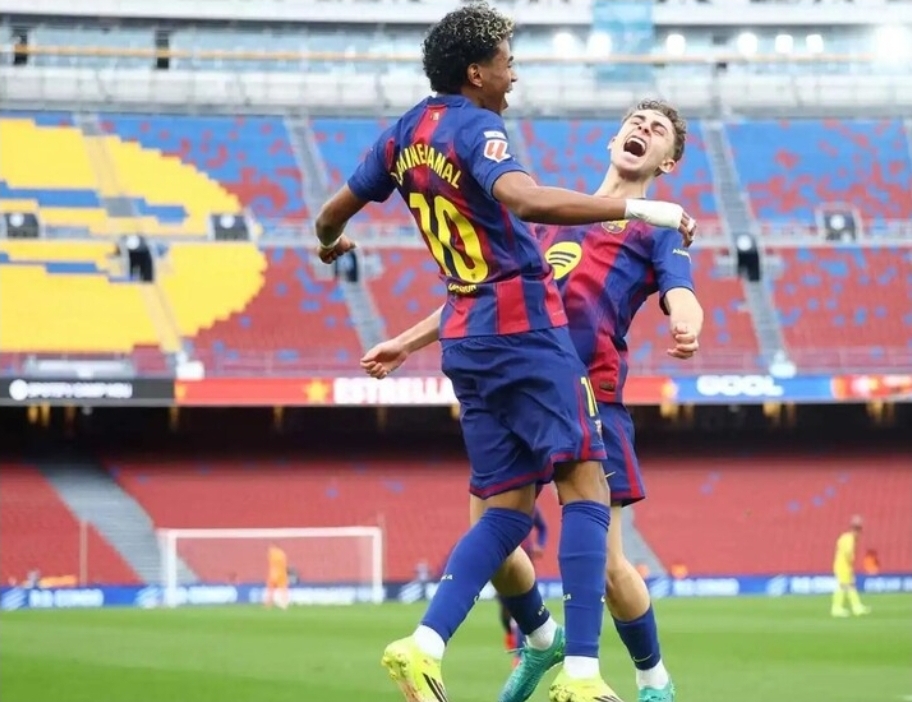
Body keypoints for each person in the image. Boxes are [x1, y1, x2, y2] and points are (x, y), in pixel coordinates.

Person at [314, 3, 695, 700]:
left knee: (590, 554)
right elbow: (520, 226)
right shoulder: (540, 194)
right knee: (532, 513)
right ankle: (564, 660)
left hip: (536, 365)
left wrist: (686, 322)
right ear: (476, 71)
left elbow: (681, 291)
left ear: (668, 161)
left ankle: (642, 678)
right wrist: (408, 338)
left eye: (657, 128)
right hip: (530, 352)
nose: (513, 75)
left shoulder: (404, 134)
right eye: (507, 62)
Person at [499, 507, 548, 663]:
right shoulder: (502, 504)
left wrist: (540, 544)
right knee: (505, 612)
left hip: (526, 567)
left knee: (521, 611)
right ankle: (510, 633)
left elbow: (543, 528)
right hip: (504, 563)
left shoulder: (532, 508)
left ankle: (520, 655)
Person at [831, 515, 871, 617]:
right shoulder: (850, 539)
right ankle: (837, 608)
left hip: (841, 565)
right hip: (843, 566)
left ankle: (856, 607)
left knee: (850, 586)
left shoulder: (844, 537)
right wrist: (851, 560)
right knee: (844, 586)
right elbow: (848, 552)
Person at [264, 543, 289, 610]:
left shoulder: (272, 553)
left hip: (273, 574)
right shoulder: (282, 554)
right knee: (283, 590)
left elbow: (270, 559)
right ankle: (284, 605)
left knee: (270, 590)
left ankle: (268, 605)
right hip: (281, 574)